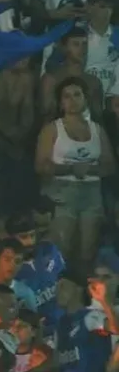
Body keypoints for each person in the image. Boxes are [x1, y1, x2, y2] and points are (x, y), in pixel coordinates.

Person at [36, 77, 116, 271]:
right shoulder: (52, 129)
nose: (72, 100)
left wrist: (89, 169)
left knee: (88, 250)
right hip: (61, 194)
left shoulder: (97, 130)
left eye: (77, 95)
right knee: (61, 249)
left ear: (85, 98)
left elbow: (110, 165)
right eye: (67, 96)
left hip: (92, 193)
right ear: (60, 102)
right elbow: (41, 165)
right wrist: (71, 169)